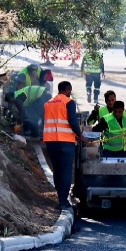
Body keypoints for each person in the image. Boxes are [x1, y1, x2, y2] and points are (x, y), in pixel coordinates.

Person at [43, 81, 88, 209]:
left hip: (50, 141)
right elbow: (73, 121)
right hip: (65, 142)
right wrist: (80, 136)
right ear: (67, 90)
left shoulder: (48, 103)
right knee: (66, 171)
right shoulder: (69, 102)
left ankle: (60, 198)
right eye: (70, 91)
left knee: (57, 171)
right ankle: (63, 202)